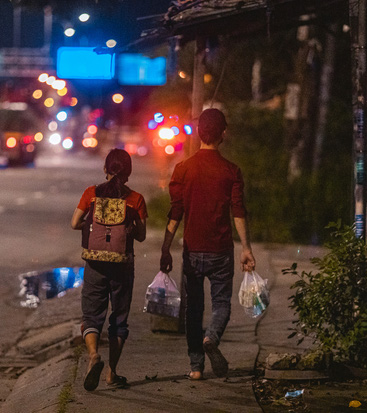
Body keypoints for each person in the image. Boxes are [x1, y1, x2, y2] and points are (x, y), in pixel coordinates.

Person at [159, 108, 256, 380]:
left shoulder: (183, 169)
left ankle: (195, 367)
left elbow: (175, 212)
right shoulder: (231, 171)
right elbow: (239, 211)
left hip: (192, 251)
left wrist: (166, 247)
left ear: (199, 132)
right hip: (221, 250)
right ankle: (211, 337)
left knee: (193, 309)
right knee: (221, 304)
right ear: (223, 133)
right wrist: (246, 247)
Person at [71, 148, 148, 391]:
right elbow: (142, 236)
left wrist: (93, 226)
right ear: (128, 172)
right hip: (122, 265)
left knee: (92, 315)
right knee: (119, 319)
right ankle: (112, 373)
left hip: (94, 263)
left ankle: (94, 355)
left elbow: (74, 223)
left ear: (105, 169)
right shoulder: (135, 199)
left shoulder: (91, 194)